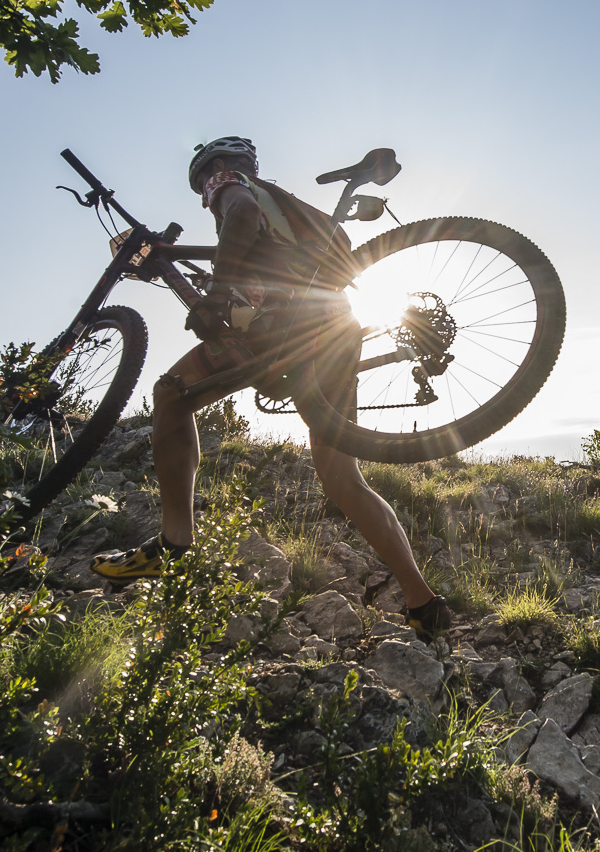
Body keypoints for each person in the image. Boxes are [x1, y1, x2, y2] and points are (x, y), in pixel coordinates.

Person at [91, 137, 453, 640]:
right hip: (331, 326)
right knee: (341, 476)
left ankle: (173, 544)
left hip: (275, 327)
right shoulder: (283, 204)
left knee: (171, 394)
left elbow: (237, 216)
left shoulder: (231, 185)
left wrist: (217, 295)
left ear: (215, 168)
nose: (205, 193)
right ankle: (424, 603)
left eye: (201, 184)